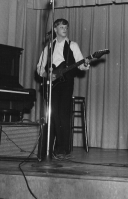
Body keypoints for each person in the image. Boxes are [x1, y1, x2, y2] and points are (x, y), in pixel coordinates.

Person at [36, 18, 90, 158]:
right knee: (52, 114)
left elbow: (80, 64)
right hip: (52, 84)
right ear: (55, 30)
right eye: (61, 27)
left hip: (66, 83)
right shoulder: (49, 46)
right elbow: (40, 67)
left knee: (63, 115)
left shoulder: (73, 45)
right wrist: (46, 74)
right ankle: (48, 147)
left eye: (66, 27)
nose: (64, 30)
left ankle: (62, 149)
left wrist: (85, 63)